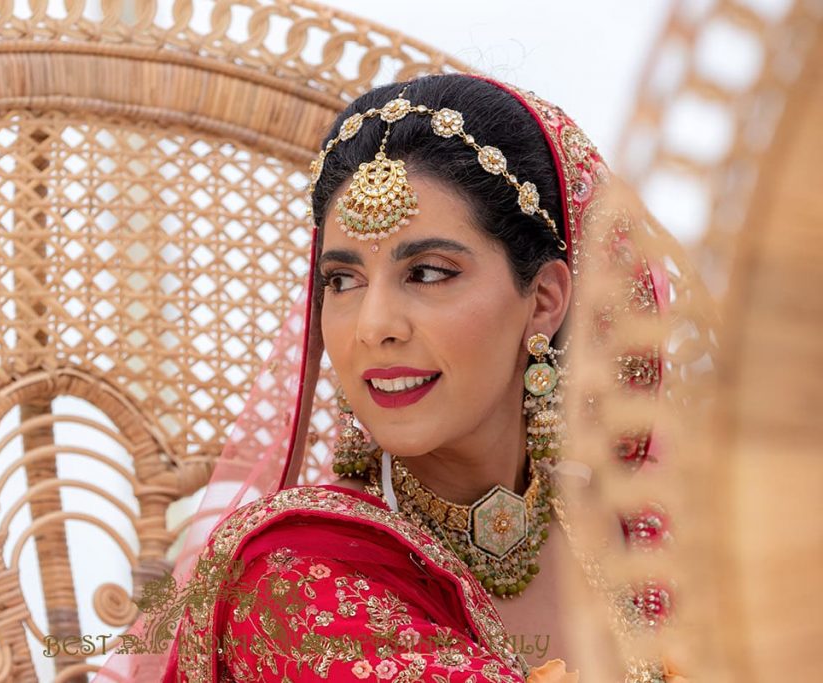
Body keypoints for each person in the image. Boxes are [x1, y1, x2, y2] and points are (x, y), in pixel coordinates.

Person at [94, 73, 681, 682]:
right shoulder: (292, 577)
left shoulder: (635, 536)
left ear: (544, 299)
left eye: (428, 273)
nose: (373, 327)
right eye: (342, 281)